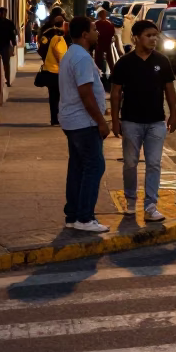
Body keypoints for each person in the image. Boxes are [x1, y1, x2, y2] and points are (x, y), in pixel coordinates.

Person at [110, 19, 176, 222]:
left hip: (156, 121)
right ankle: (130, 199)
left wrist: (173, 113)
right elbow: (115, 92)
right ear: (136, 38)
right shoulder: (125, 63)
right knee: (130, 163)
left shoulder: (162, 61)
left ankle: (150, 205)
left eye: (155, 35)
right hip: (131, 121)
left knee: (154, 163)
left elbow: (169, 89)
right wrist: (115, 119)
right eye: (148, 35)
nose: (153, 39)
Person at [58, 16, 111, 232]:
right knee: (94, 167)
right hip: (83, 122)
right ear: (84, 34)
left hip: (74, 121)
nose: (97, 33)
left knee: (78, 167)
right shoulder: (80, 58)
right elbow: (86, 93)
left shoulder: (73, 54)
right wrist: (101, 122)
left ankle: (73, 215)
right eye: (94, 29)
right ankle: (85, 218)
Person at [40, 15, 68, 125]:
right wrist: (63, 64)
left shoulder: (48, 33)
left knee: (53, 97)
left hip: (49, 68)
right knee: (59, 96)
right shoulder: (59, 37)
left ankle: (54, 119)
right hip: (56, 71)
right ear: (63, 24)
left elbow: (42, 48)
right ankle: (57, 118)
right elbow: (58, 52)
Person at [0, 7, 18, 87]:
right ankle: (0, 81)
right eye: (2, 13)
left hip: (5, 46)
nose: (3, 15)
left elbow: (12, 35)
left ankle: (7, 81)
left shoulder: (9, 23)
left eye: (4, 13)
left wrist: (13, 46)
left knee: (6, 64)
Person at [93, 9, 116, 74]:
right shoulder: (109, 23)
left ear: (99, 15)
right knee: (109, 58)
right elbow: (112, 33)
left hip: (99, 44)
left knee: (98, 58)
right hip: (107, 43)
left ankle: (98, 71)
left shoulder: (96, 23)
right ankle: (112, 71)